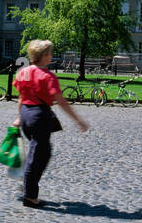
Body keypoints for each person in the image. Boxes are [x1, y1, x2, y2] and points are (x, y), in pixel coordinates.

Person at [12, 40, 89, 207]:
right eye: (50, 53)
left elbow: (21, 97)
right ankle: (30, 196)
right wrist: (79, 121)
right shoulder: (48, 76)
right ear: (44, 56)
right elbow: (61, 101)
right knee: (38, 156)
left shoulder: (24, 72)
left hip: (26, 114)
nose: (51, 56)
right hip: (39, 116)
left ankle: (28, 186)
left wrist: (19, 118)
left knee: (41, 154)